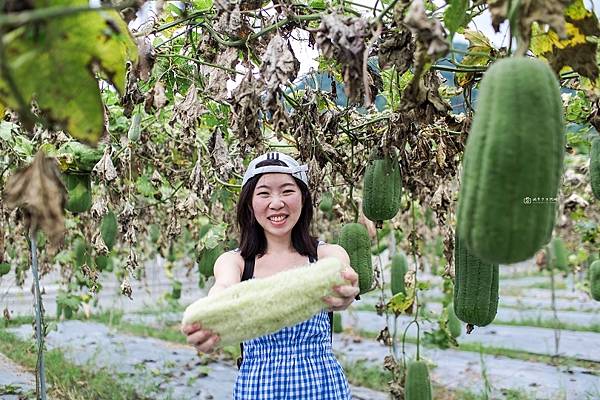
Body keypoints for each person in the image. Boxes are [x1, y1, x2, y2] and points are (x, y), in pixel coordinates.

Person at [181, 151, 360, 399]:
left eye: (287, 191)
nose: (276, 203)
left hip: (322, 387)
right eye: (264, 193)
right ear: (250, 205)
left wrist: (347, 292)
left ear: (303, 199)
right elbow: (222, 289)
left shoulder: (327, 254)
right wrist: (207, 322)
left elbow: (343, 276)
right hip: (258, 388)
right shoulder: (235, 262)